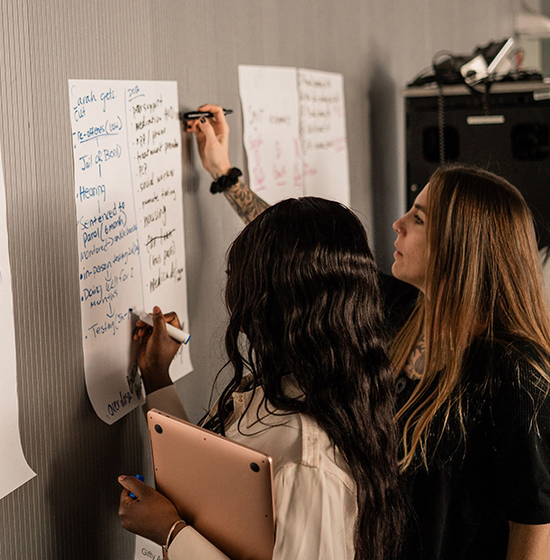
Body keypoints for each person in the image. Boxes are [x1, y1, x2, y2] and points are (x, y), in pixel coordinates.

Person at [187, 104, 550, 559]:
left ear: (463, 247)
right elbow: (305, 258)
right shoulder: (402, 309)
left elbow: (534, 525)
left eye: (418, 218)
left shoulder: (516, 372)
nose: (398, 225)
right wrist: (224, 174)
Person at [117, 197, 405, 560]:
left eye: (239, 280)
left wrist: (172, 533)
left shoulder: (308, 463)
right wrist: (156, 375)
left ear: (272, 303)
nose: (233, 296)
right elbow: (209, 491)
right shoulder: (281, 390)